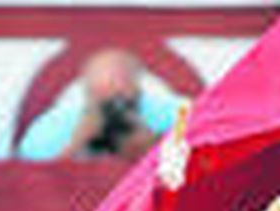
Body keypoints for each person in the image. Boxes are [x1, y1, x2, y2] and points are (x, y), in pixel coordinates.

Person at [16, 48, 181, 162]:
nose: (111, 108)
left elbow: (193, 164)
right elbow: (29, 173)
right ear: (87, 90)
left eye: (120, 97)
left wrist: (152, 147)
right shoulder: (54, 124)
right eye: (100, 95)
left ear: (136, 87)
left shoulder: (173, 114)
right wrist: (77, 142)